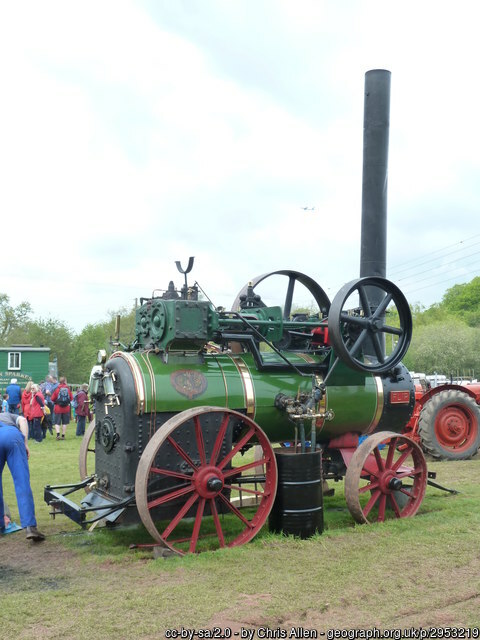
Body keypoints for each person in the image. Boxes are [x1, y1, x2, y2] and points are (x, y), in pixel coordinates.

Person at [0, 412, 45, 541]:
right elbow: (23, 421)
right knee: (22, 481)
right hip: (12, 436)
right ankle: (30, 527)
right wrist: (25, 443)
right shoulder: (7, 414)